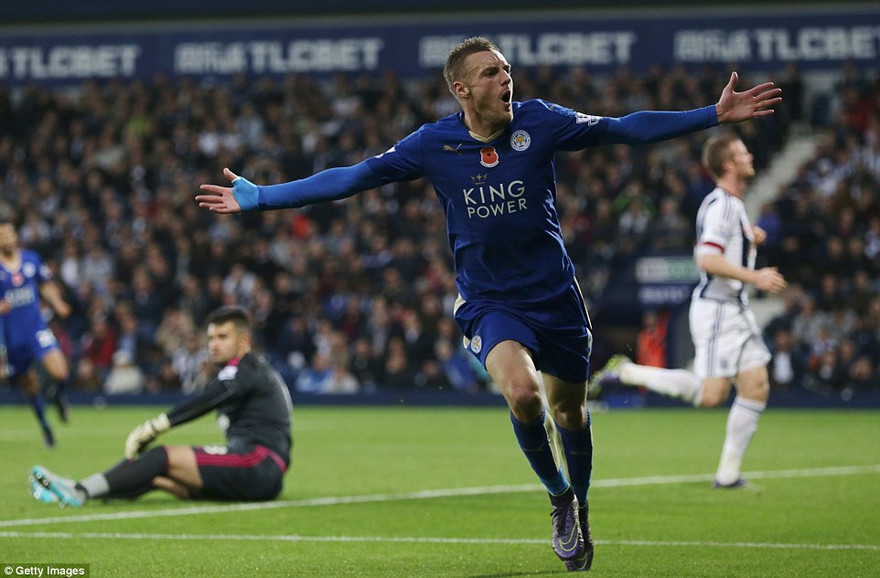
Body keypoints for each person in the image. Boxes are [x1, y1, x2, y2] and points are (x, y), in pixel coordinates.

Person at [196, 37, 780, 571]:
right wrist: (262, 197)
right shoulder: (433, 144)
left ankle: (580, 502)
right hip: (489, 300)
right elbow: (352, 177)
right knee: (523, 395)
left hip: (555, 297)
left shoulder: (541, 122)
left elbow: (625, 128)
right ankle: (557, 498)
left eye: (507, 70)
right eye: (491, 73)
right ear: (462, 89)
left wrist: (712, 114)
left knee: (570, 414)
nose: (506, 80)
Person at [590, 133, 787, 489]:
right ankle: (632, 372)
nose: (750, 156)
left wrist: (747, 240)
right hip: (718, 310)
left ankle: (728, 476)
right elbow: (706, 258)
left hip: (735, 310)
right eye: (743, 152)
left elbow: (722, 247)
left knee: (755, 386)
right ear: (727, 165)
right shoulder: (722, 205)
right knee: (711, 395)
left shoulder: (733, 205)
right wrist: (754, 275)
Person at [30, 305, 292, 506]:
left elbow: (207, 400)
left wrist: (156, 426)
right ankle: (80, 491)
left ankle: (79, 491)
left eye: (223, 337)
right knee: (155, 476)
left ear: (243, 341)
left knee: (162, 456)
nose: (214, 344)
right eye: (211, 337)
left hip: (257, 463)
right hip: (263, 472)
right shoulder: (245, 372)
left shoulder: (246, 369)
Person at [0, 220, 72, 447]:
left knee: (61, 373)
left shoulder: (31, 259)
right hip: (13, 338)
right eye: (3, 236)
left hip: (36, 329)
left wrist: (58, 303)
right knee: (30, 385)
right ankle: (46, 427)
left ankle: (58, 397)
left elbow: (46, 285)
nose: (8, 239)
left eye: (10, 234)